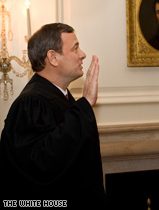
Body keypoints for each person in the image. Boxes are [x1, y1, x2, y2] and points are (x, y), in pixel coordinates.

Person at [0, 23, 107, 209]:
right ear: (53, 57)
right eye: (75, 48)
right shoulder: (31, 102)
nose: (82, 54)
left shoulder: (61, 95)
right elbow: (41, 166)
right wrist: (85, 105)